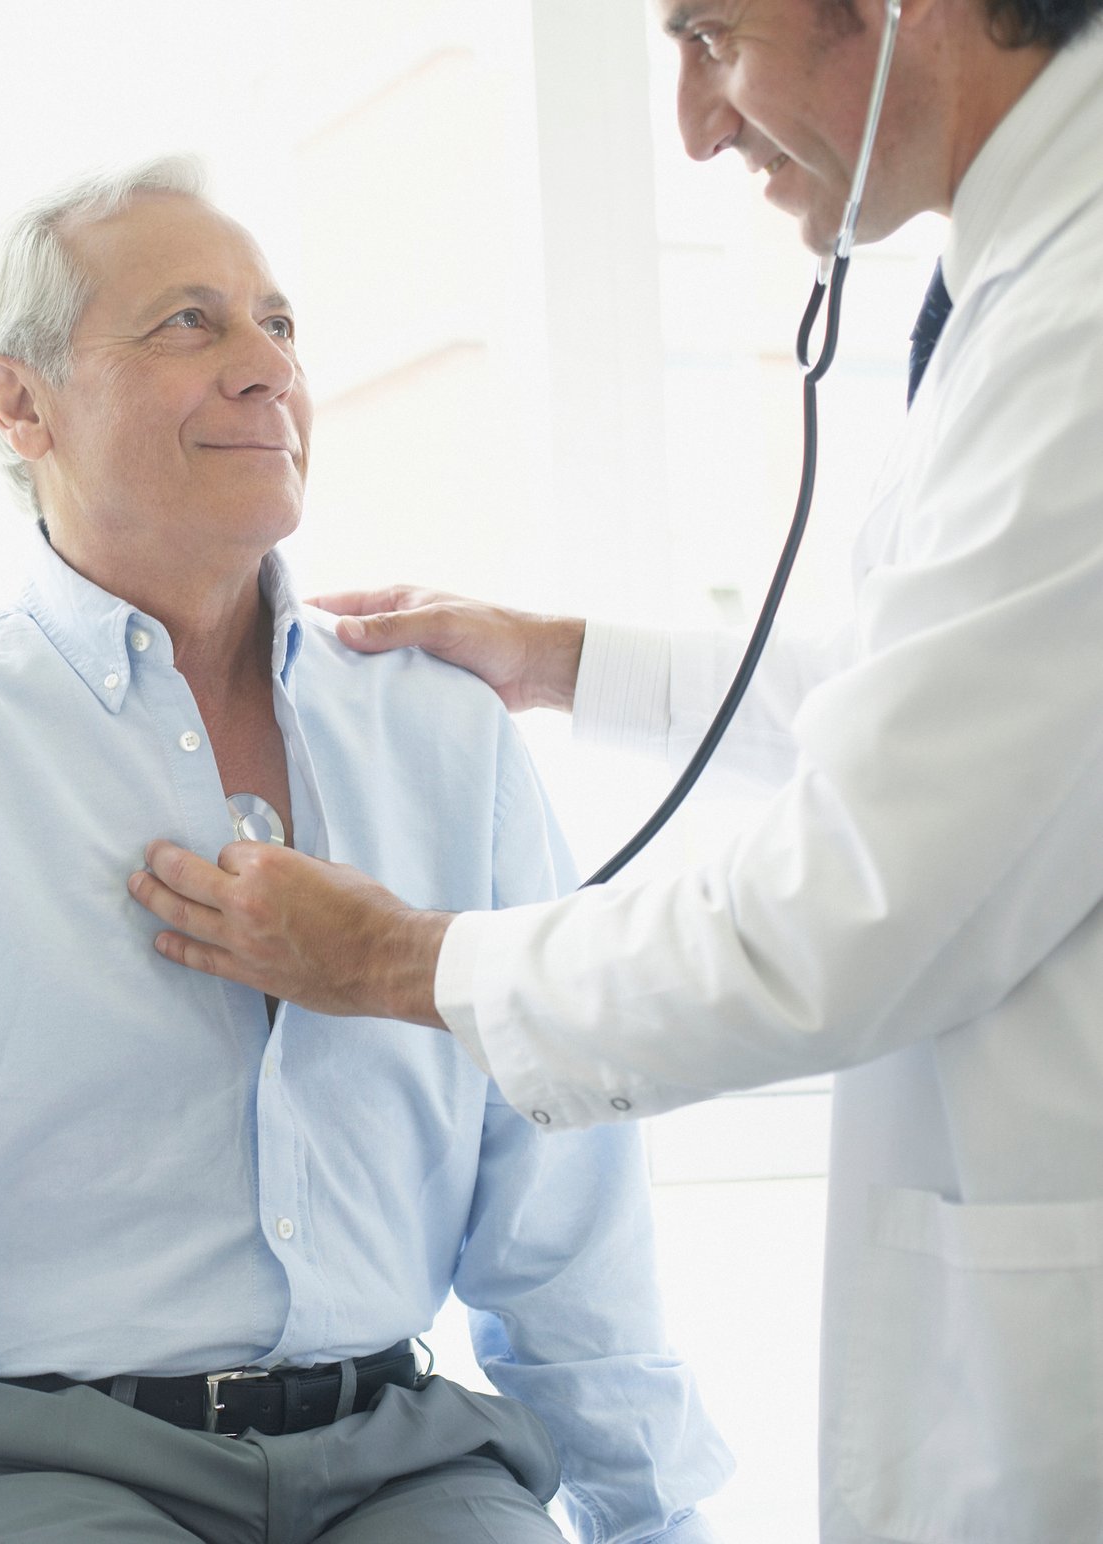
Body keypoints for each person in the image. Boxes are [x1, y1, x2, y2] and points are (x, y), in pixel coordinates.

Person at [0, 159, 733, 1544]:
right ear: (20, 404)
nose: (268, 367)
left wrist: (653, 1520)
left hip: (407, 1467)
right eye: (189, 323)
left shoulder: (443, 731)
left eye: (279, 323)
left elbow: (563, 1210)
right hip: (30, 1466)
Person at [126, 3, 1103, 1540]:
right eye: (184, 325)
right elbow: (966, 705)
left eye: (711, 34)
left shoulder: (1078, 326)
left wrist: (391, 959)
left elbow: (845, 911)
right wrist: (568, 661)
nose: (697, 126)